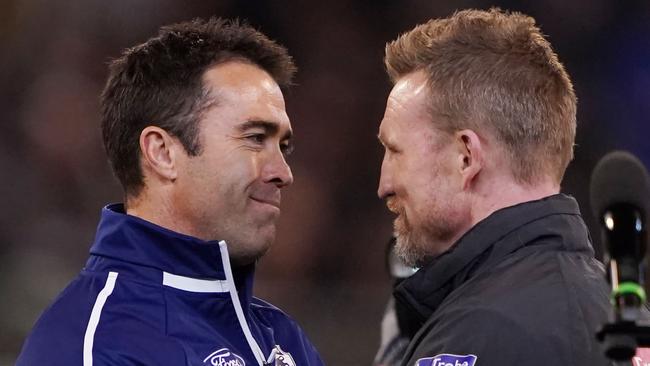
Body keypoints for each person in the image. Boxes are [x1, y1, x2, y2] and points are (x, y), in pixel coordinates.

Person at [17, 18, 323, 366]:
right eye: (255, 138)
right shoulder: (95, 344)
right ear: (162, 153)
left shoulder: (283, 339)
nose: (283, 173)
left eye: (283, 147)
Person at [374, 8, 612, 366]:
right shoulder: (622, 319)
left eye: (394, 150)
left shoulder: (477, 336)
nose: (384, 185)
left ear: (466, 158)